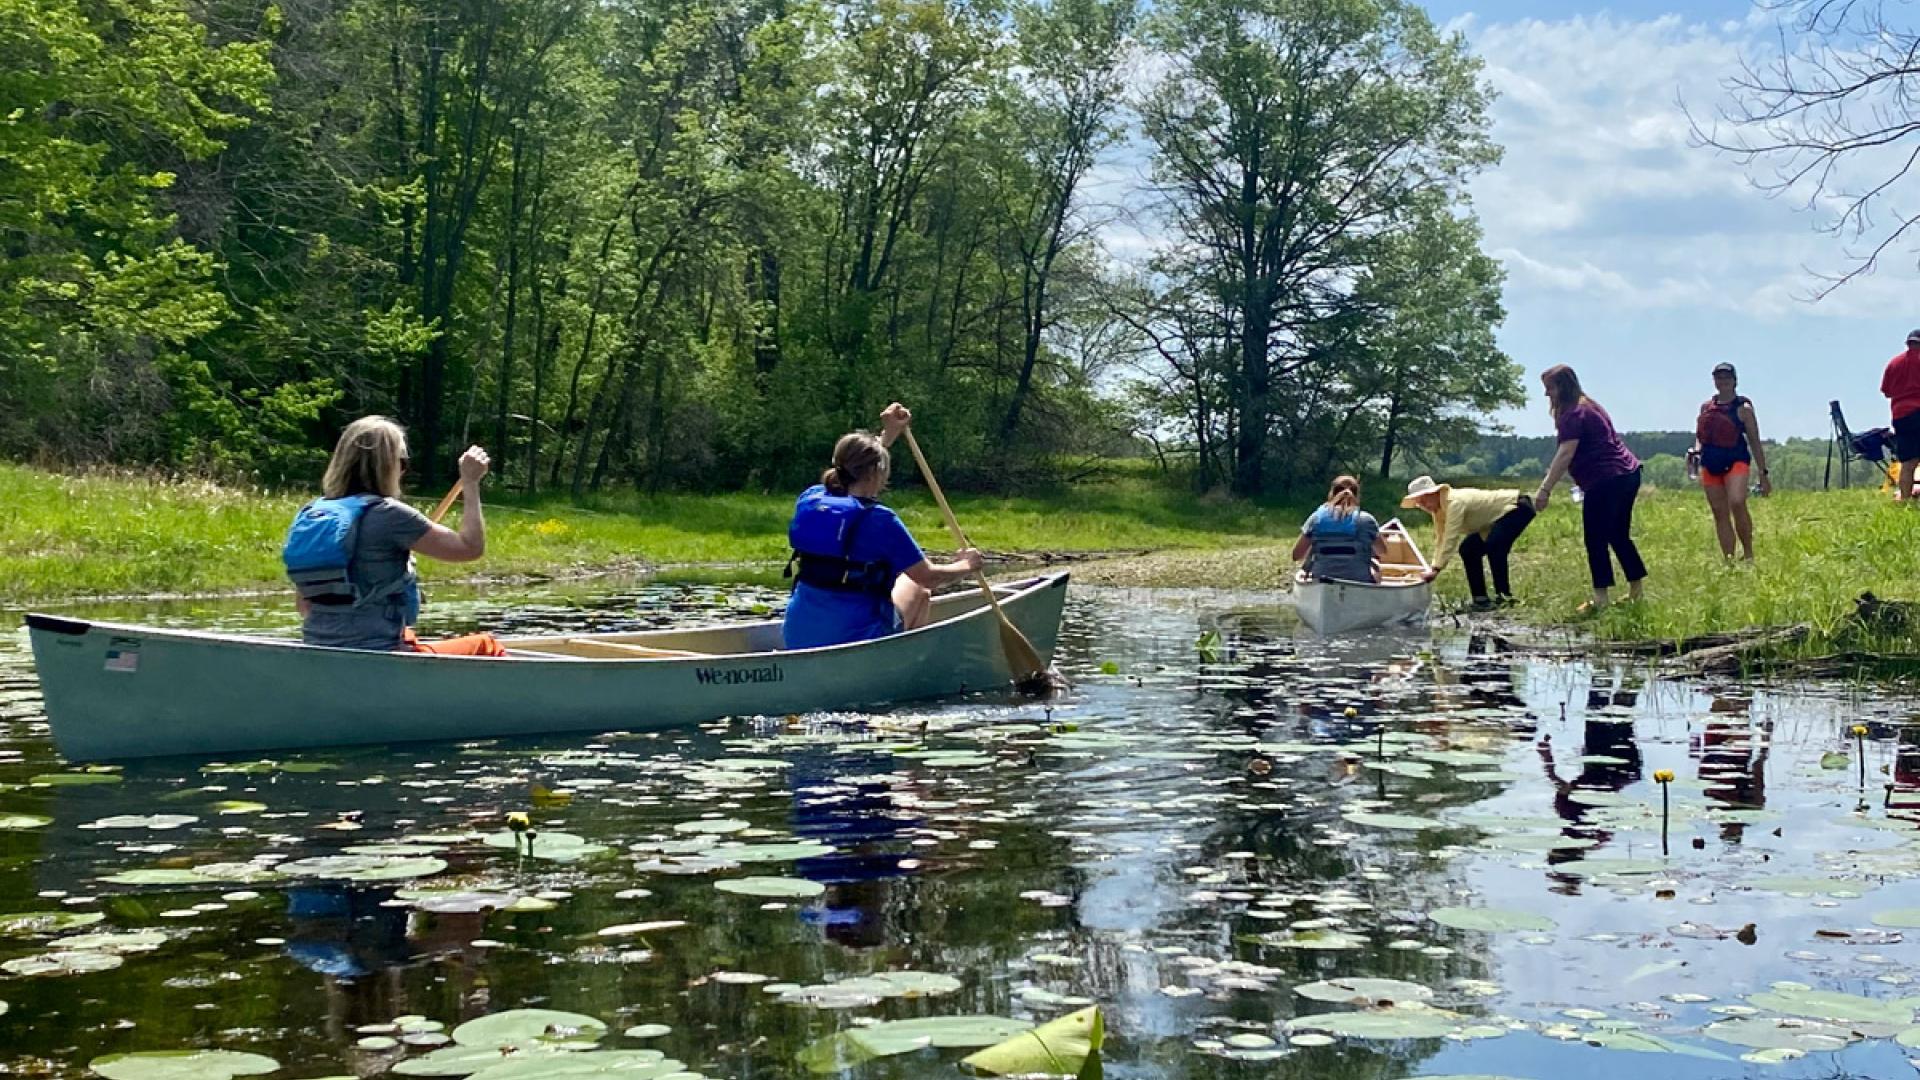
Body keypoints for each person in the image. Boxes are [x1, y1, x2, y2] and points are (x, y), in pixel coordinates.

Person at [288, 416, 503, 655]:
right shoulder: (390, 515)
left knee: (411, 635)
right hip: (381, 651)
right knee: (487, 645)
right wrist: (470, 482)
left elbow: (304, 605)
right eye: (402, 462)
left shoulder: (314, 514)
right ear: (387, 465)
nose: (403, 470)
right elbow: (470, 548)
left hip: (319, 645)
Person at [781, 403, 985, 650]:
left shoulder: (812, 497)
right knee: (918, 589)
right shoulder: (880, 520)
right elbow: (928, 577)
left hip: (796, 634)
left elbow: (853, 469)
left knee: (898, 581)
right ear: (876, 472)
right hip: (853, 638)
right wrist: (968, 565)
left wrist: (887, 436)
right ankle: (905, 660)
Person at [1534, 365, 1646, 613]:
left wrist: (1545, 490)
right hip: (1628, 474)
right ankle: (1636, 592)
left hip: (1607, 479)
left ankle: (1601, 599)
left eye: (1549, 388)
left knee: (1595, 539)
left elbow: (1565, 453)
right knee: (1618, 535)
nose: (1547, 395)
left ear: (1563, 387)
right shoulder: (1592, 406)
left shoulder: (1574, 414)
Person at [1400, 475, 1534, 610]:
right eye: (1420, 503)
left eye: (1425, 500)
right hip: (1492, 521)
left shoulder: (1454, 503)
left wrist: (1437, 569)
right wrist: (1433, 566)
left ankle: (1504, 597)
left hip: (1517, 508)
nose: (1424, 506)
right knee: (1468, 549)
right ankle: (1480, 599)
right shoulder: (1439, 510)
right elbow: (1441, 538)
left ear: (1435, 493)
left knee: (1495, 546)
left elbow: (1451, 537)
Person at [1690, 362, 1770, 560]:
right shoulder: (1706, 407)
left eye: (1727, 378)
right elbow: (1700, 435)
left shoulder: (1744, 409)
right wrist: (1696, 451)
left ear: (1735, 381)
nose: (1723, 381)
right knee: (1719, 511)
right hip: (1710, 462)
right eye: (1719, 378)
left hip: (1736, 459)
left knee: (1737, 502)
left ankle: (1749, 553)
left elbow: (1754, 440)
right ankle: (1728, 559)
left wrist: (1763, 473)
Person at [1292, 475, 1385, 584]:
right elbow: (1382, 551)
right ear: (1357, 496)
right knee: (1377, 569)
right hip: (1359, 580)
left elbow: (1296, 555)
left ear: (1331, 494)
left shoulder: (1315, 519)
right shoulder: (1367, 520)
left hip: (1321, 579)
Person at [1882, 328, 1920, 500]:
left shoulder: (1894, 363)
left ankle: (1905, 500)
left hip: (1901, 416)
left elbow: (1887, 392)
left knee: (1908, 463)